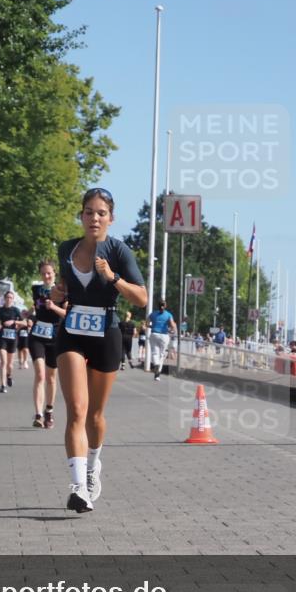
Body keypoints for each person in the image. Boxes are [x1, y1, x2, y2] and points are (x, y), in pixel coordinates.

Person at [51, 188, 147, 513]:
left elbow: (142, 299)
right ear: (81, 216)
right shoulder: (67, 248)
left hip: (106, 332)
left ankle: (93, 467)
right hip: (72, 333)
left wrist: (113, 277)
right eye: (89, 212)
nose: (94, 218)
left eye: (101, 213)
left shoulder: (119, 251)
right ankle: (78, 486)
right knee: (76, 410)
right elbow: (63, 288)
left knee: (95, 415)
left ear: (111, 218)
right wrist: (57, 291)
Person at [29, 261, 66, 428]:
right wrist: (28, 314)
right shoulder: (36, 290)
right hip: (37, 335)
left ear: (54, 273)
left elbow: (67, 313)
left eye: (49, 273)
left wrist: (53, 307)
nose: (46, 276)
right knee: (40, 374)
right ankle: (37, 414)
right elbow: (35, 308)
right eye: (43, 273)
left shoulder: (62, 291)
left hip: (55, 336)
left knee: (51, 377)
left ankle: (48, 411)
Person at [0, 290, 21, 393]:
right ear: (4, 299)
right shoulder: (0, 310)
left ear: (13, 300)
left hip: (13, 339)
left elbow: (24, 322)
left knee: (10, 364)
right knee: (3, 362)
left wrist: (14, 322)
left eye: (11, 298)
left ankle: (9, 376)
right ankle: (3, 385)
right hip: (2, 338)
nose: (9, 299)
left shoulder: (16, 310)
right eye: (7, 297)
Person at [147, 300, 177, 381]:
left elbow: (147, 324)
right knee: (162, 354)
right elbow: (173, 325)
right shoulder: (168, 314)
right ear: (165, 306)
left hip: (154, 334)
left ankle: (156, 366)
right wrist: (171, 330)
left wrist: (152, 326)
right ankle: (158, 373)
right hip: (164, 335)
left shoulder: (152, 314)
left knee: (154, 353)